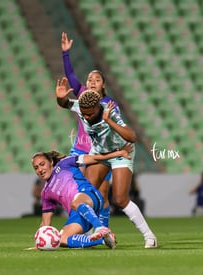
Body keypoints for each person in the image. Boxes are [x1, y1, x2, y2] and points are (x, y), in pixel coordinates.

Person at [56, 78, 158, 248]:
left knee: (120, 198)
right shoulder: (83, 107)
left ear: (98, 107)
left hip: (121, 153)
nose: (86, 117)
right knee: (85, 195)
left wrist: (109, 121)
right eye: (84, 113)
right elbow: (65, 103)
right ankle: (89, 233)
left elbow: (132, 137)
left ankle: (150, 237)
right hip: (99, 153)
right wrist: (60, 98)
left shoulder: (109, 112)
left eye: (89, 113)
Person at [61, 32, 119, 228]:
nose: (92, 81)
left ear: (103, 85)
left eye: (97, 79)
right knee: (78, 192)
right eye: (90, 79)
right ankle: (80, 228)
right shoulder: (83, 95)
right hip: (80, 150)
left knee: (102, 195)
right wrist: (65, 54)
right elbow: (70, 76)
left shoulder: (109, 103)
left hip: (102, 154)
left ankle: (103, 231)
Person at [32, 145, 133, 249]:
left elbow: (93, 158)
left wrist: (118, 153)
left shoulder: (63, 164)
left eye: (42, 164)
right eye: (36, 168)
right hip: (78, 214)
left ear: (51, 162)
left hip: (90, 196)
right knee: (61, 239)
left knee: (75, 202)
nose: (40, 169)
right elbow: (45, 222)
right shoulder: (46, 193)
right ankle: (102, 240)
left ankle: (100, 228)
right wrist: (39, 243)